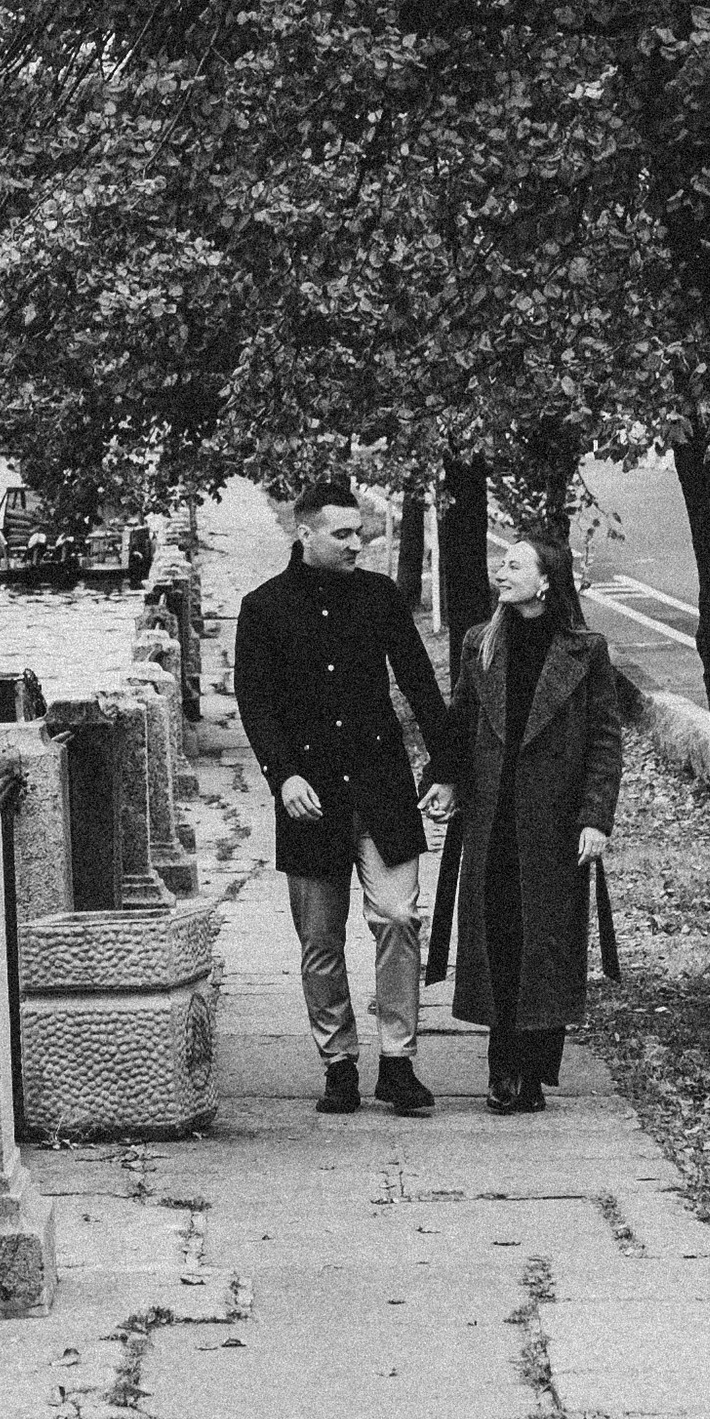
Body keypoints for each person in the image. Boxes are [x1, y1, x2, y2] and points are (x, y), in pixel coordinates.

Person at [233, 472, 454, 1118]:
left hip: (381, 791)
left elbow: (417, 679)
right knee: (321, 940)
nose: (359, 542)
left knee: (397, 917)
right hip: (310, 798)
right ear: (306, 535)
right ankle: (338, 1062)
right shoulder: (264, 608)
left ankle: (398, 1060)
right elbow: (256, 703)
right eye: (344, 533)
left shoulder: (381, 598)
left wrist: (445, 767)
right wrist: (283, 777)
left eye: (361, 531)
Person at [437, 532, 622, 1114]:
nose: (501, 570)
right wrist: (445, 781)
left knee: (546, 942)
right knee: (500, 936)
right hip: (493, 818)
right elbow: (461, 723)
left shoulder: (585, 650)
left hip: (555, 821)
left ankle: (534, 1071)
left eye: (515, 563)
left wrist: (596, 818)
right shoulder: (480, 644)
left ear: (546, 580)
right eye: (502, 561)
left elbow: (604, 740)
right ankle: (505, 1069)